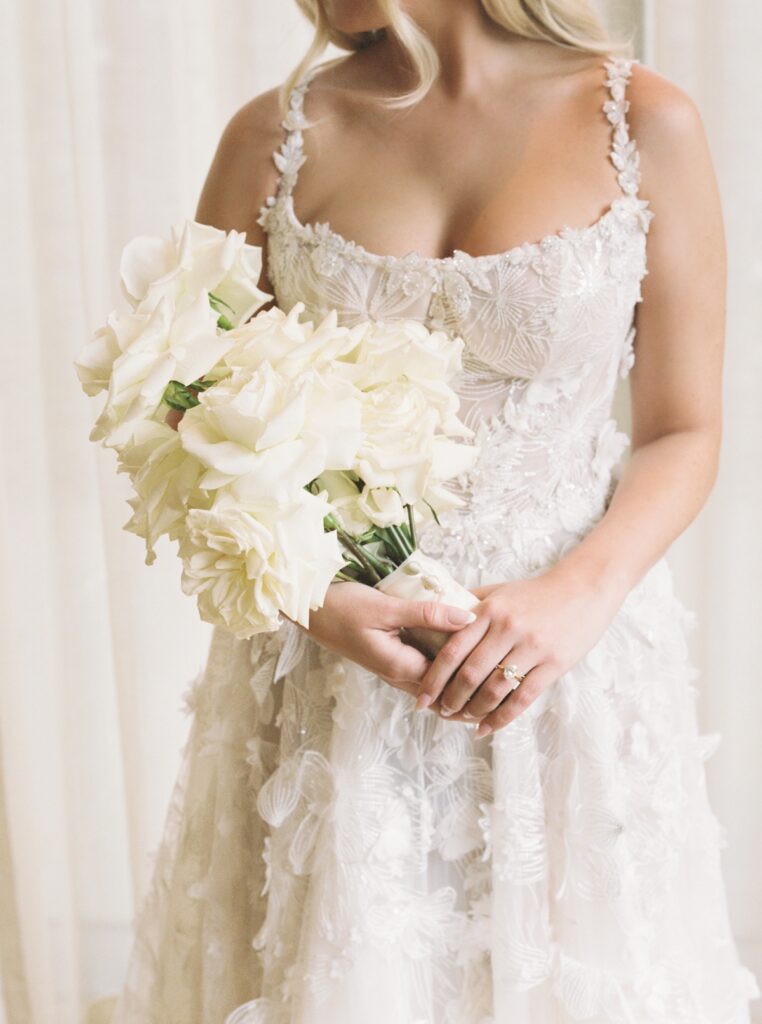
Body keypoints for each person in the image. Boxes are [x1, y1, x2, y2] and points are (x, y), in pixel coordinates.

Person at [113, 2, 761, 1022]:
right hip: (330, 685)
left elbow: (684, 430)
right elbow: (184, 414)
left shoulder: (646, 124)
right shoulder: (270, 139)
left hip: (568, 672)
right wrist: (318, 600)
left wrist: (575, 600)